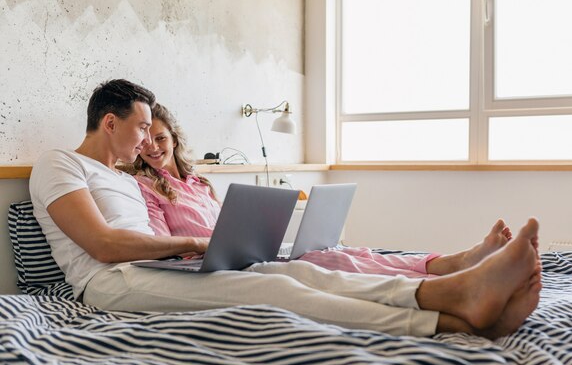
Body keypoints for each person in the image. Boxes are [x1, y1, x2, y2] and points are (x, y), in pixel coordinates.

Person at [30, 79, 542, 340]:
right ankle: (454, 322)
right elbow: (102, 245)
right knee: (273, 287)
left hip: (154, 264)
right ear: (111, 123)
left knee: (302, 271)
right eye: (142, 127)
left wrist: (204, 249)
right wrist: (194, 243)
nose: (146, 140)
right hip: (111, 280)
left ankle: (442, 293)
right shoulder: (58, 165)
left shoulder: (121, 176)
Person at [131, 103, 518, 279]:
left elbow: (230, 226)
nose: (153, 147)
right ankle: (452, 268)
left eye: (160, 137)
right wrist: (199, 247)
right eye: (145, 141)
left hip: (242, 253)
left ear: (174, 138)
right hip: (217, 267)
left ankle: (450, 262)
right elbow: (160, 243)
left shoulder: (200, 183)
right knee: (334, 263)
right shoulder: (146, 187)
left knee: (343, 252)